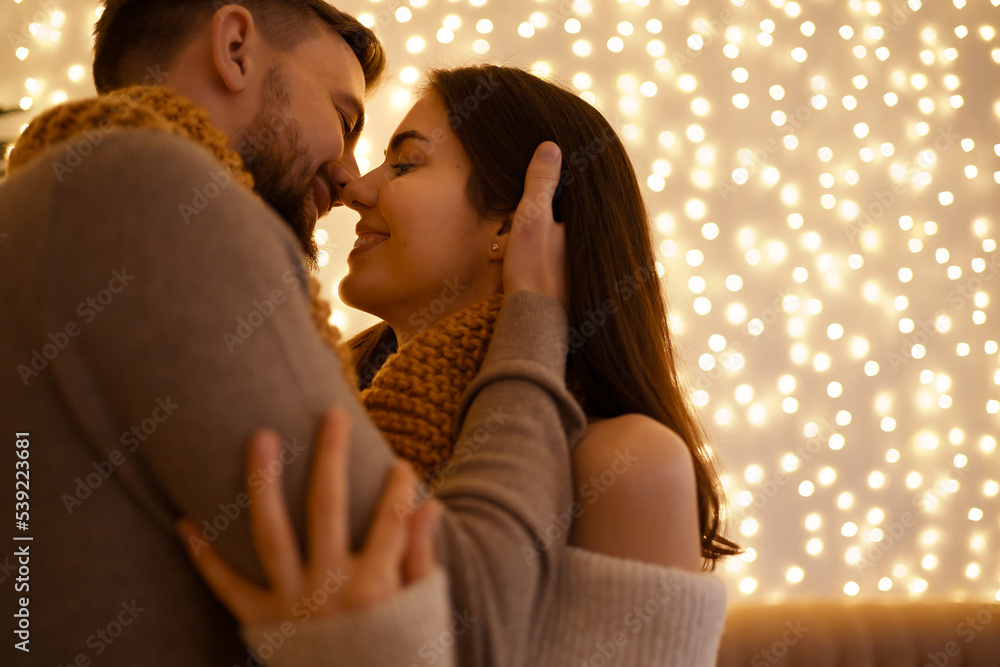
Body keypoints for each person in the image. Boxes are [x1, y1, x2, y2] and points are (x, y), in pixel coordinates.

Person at [0, 2, 584, 665]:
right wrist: (535, 315)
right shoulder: (153, 194)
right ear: (236, 46)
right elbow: (472, 622)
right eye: (344, 118)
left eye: (404, 162)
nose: (348, 180)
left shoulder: (52, 203)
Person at [186, 65, 742, 666]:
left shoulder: (626, 464)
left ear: (512, 222)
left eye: (404, 164)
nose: (356, 190)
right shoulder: (320, 410)